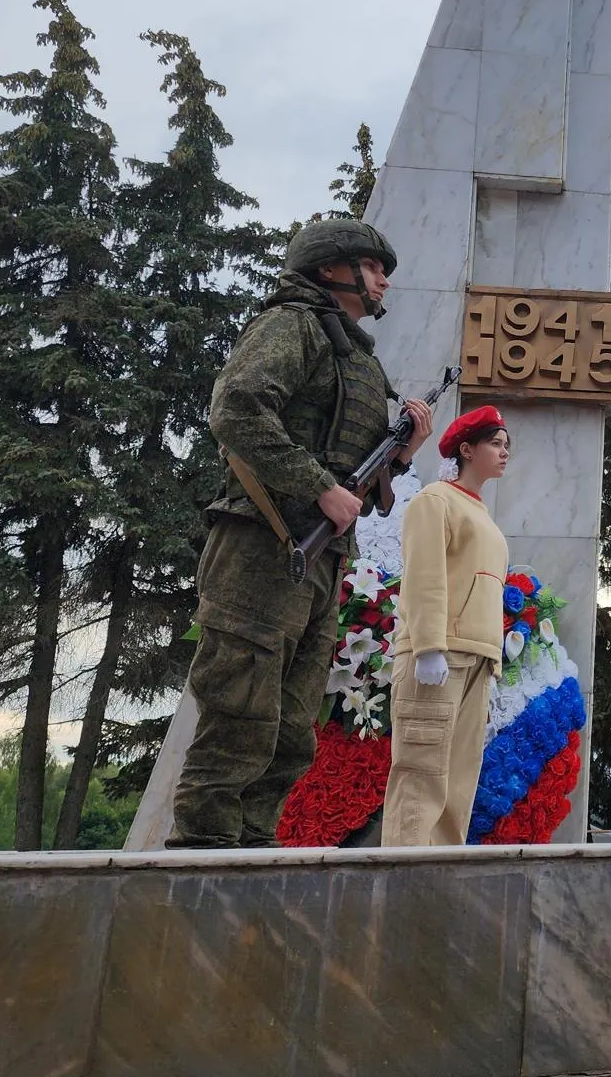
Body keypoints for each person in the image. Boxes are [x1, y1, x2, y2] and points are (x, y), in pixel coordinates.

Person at [170, 218, 432, 848]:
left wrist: (400, 454)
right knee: (239, 716)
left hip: (318, 558)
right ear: (329, 271)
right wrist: (317, 485)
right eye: (371, 266)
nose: (382, 279)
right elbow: (235, 406)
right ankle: (200, 858)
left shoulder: (358, 359)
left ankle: (253, 852)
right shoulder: (293, 325)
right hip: (261, 545)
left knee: (291, 729)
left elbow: (350, 469)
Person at [381, 406, 512, 846]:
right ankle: (400, 889)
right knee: (421, 777)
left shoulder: (484, 516)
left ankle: (438, 887)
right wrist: (429, 645)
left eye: (506, 444)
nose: (504, 451)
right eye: (495, 443)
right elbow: (424, 576)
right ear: (466, 449)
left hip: (477, 656)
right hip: (439, 655)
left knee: (458, 785)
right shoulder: (435, 500)